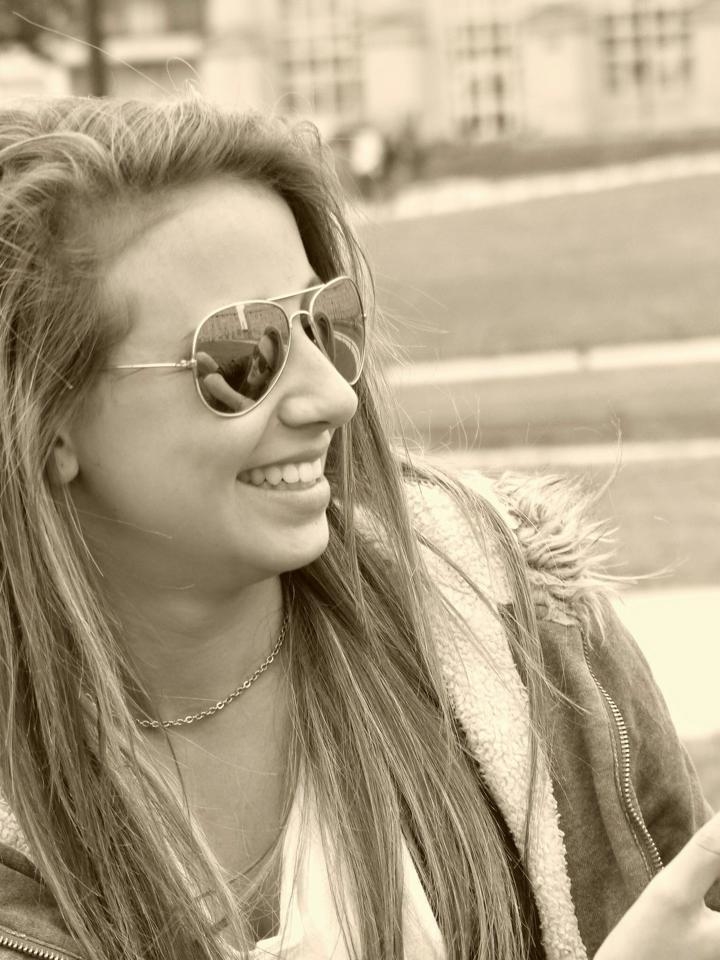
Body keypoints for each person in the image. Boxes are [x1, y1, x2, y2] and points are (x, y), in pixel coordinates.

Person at [0, 95, 716, 960]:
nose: (333, 397)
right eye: (241, 357)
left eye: (327, 324)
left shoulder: (521, 627)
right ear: (49, 421)